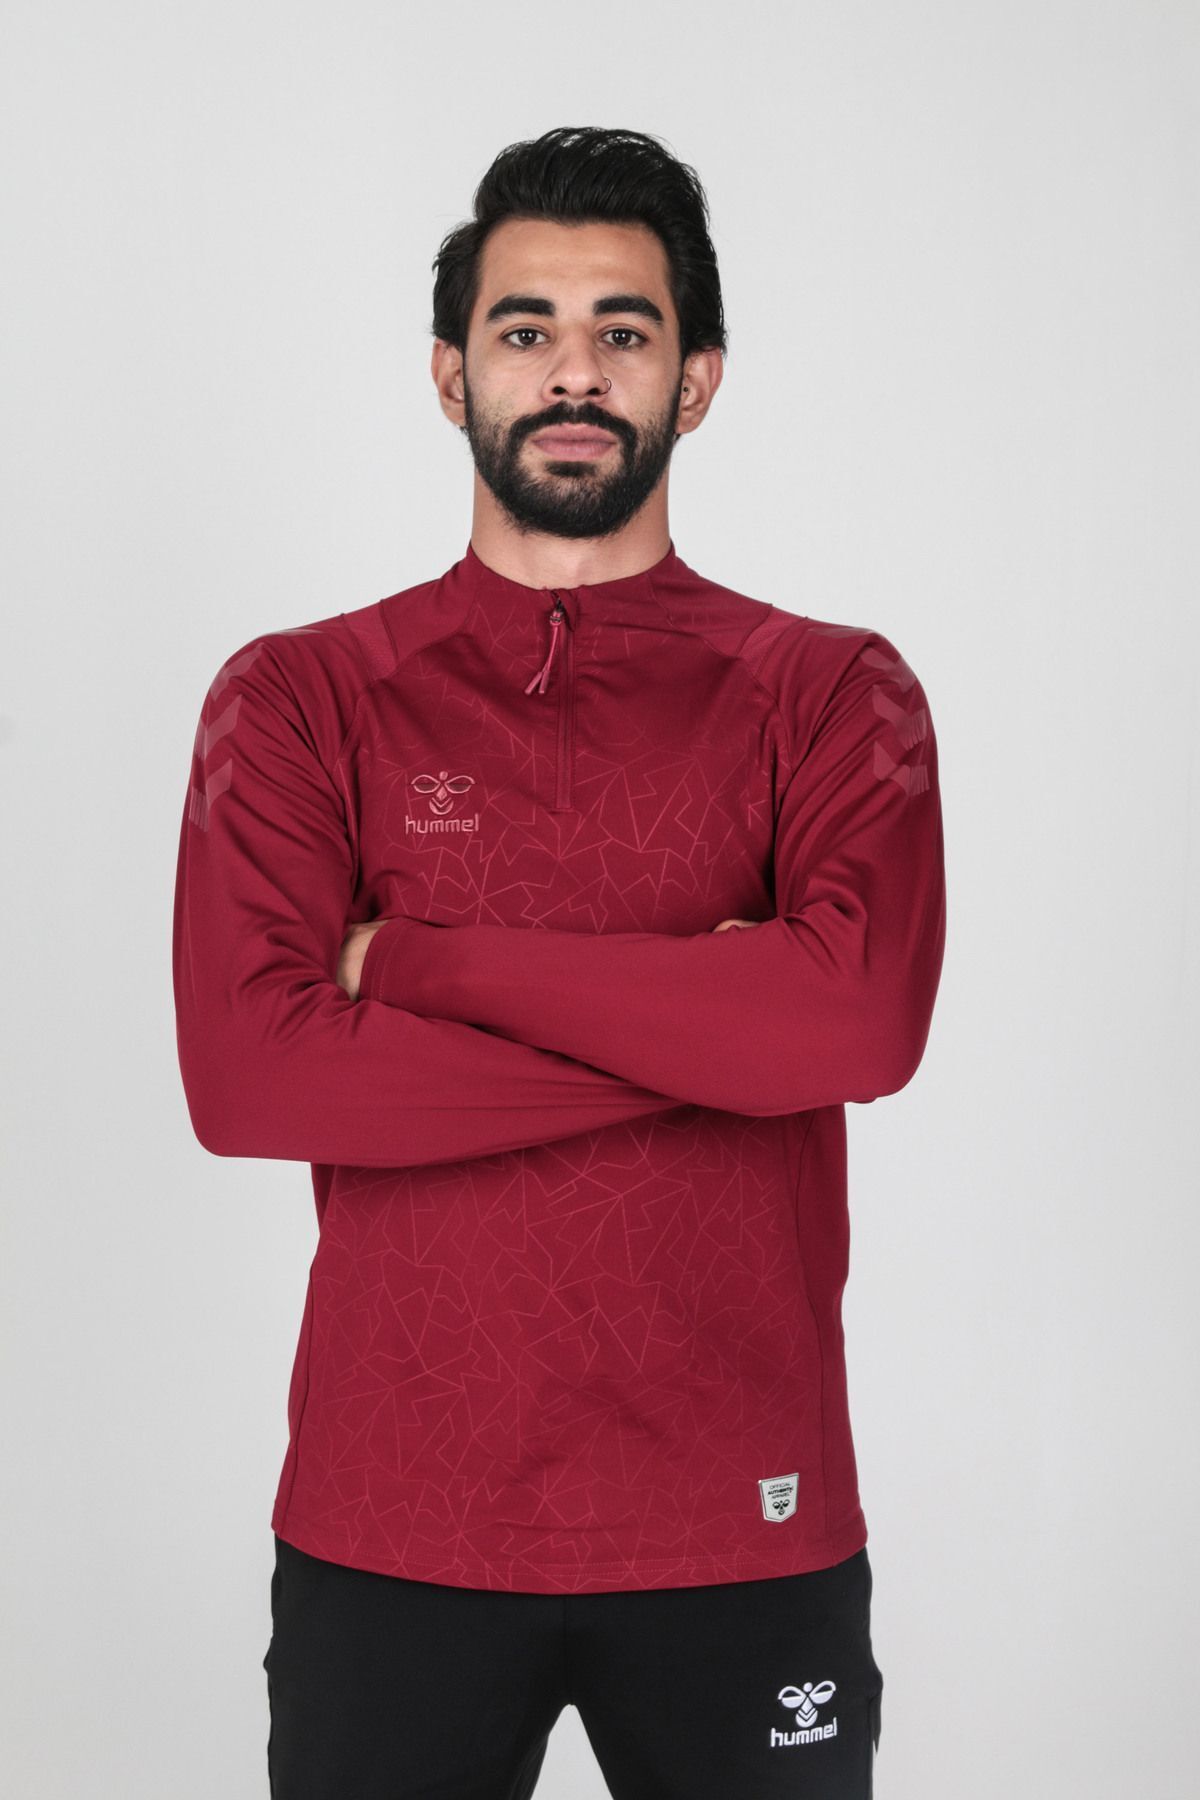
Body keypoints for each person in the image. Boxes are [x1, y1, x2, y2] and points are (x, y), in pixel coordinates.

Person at [172, 123, 945, 1799]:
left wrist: (414, 965)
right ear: (451, 376)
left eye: (624, 331)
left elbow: (858, 1023)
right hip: (396, 1523)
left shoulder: (834, 691)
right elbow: (251, 1078)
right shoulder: (299, 696)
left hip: (747, 1518)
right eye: (526, 329)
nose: (574, 371)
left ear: (698, 379)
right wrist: (716, 1024)